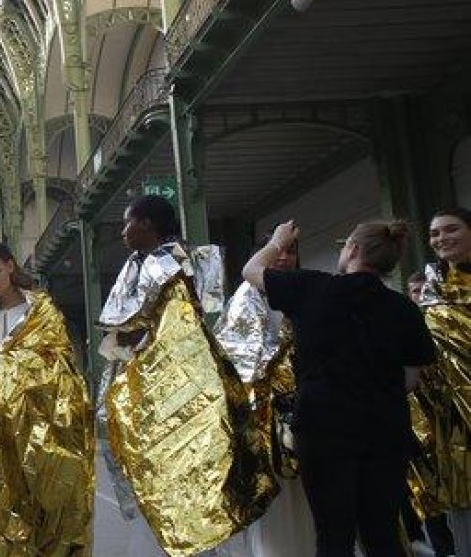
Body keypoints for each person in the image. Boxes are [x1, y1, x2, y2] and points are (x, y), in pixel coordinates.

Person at [242, 219, 437, 557]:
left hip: (323, 427)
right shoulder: (404, 309)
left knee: (334, 535)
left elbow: (251, 271)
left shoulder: (313, 288)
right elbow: (411, 378)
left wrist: (277, 241)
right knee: (382, 533)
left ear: (354, 250)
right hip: (385, 428)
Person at [98, 195, 273, 556]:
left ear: (146, 224)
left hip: (181, 375)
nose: (123, 231)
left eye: (127, 223)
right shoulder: (149, 262)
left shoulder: (165, 262)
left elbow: (128, 320)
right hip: (179, 375)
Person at [0, 240, 94, 556]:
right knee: (3, 513)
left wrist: (15, 370)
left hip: (39, 427)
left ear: (11, 267)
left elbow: (63, 365)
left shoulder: (41, 312)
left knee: (47, 507)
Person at [213, 236, 316, 556]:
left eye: (291, 252)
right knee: (279, 512)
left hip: (313, 418)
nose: (284, 258)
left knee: (312, 512)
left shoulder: (307, 291)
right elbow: (241, 369)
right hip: (269, 428)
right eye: (276, 251)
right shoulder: (248, 300)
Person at [418, 209, 471, 555]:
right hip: (453, 422)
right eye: (435, 234)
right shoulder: (432, 289)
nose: (441, 239)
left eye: (450, 229)